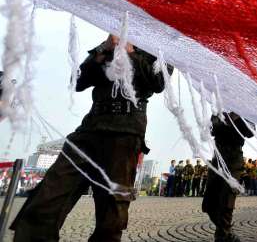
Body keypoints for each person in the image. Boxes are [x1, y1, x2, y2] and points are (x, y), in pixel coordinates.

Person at [10, 34, 171, 241]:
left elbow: (157, 82)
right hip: (90, 128)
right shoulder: (110, 42)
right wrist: (103, 50)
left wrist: (130, 52)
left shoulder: (160, 46)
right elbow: (78, 81)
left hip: (126, 131)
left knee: (111, 216)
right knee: (47, 198)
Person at [202, 111, 254, 242]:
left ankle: (222, 234)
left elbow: (250, 132)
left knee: (227, 198)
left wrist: (238, 116)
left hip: (234, 159)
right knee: (209, 203)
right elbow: (210, 130)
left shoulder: (242, 110)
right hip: (218, 159)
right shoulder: (217, 112)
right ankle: (227, 232)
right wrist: (224, 118)